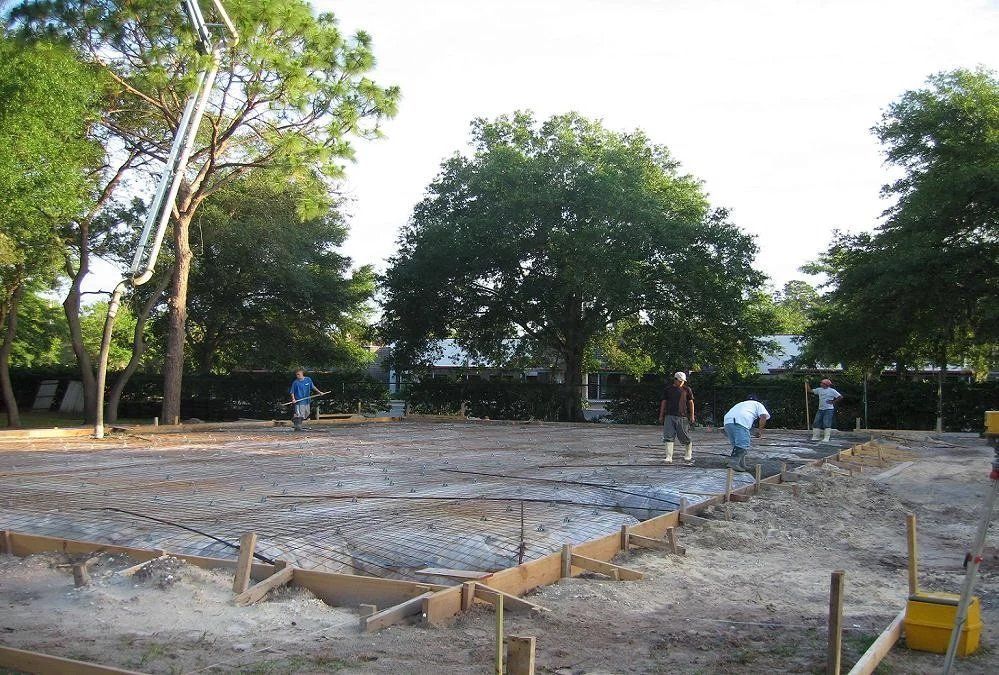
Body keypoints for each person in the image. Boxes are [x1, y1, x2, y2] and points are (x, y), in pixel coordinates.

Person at [723, 397, 770, 472]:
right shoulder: (758, 404)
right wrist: (760, 431)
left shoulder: (742, 404)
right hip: (740, 420)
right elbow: (763, 417)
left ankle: (741, 465)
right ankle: (733, 463)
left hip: (727, 422)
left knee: (738, 445)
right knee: (743, 444)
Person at [658, 371, 695, 464]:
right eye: (680, 380)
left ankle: (688, 452)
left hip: (682, 417)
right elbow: (664, 402)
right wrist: (661, 415)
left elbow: (691, 403)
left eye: (683, 381)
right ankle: (669, 456)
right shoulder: (668, 389)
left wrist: (692, 416)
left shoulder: (687, 389)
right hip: (669, 416)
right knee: (668, 436)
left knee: (683, 436)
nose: (682, 382)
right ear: (675, 380)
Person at [810, 378, 843, 443]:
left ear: (826, 384)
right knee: (816, 422)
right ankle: (815, 437)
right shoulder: (819, 390)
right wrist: (807, 383)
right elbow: (810, 391)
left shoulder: (832, 390)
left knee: (826, 423)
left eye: (822, 383)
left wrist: (833, 401)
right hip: (820, 409)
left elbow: (840, 396)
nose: (820, 384)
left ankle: (826, 438)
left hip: (829, 410)